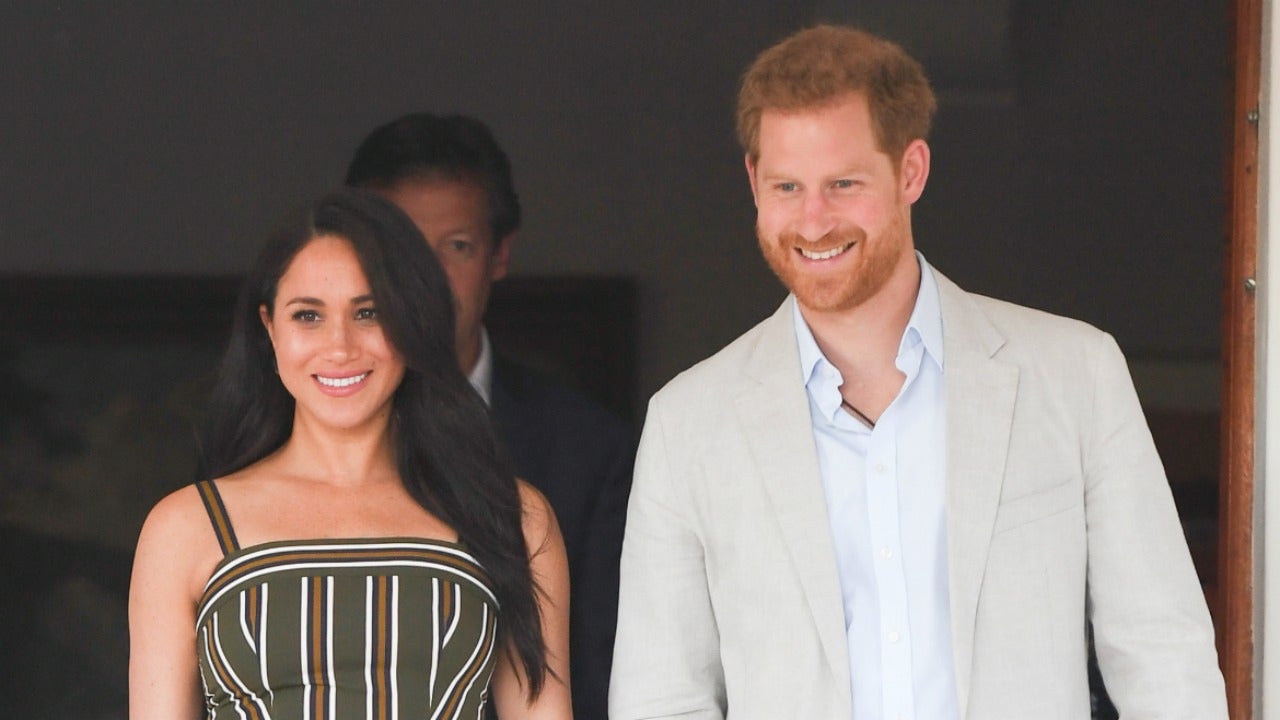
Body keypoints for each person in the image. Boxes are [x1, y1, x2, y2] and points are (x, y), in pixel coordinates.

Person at [610, 24, 1227, 720]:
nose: (812, 221)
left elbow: (1161, 656)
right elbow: (660, 697)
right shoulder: (687, 423)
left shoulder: (1077, 375)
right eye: (788, 185)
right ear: (753, 180)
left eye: (843, 184)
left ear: (911, 171)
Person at [128, 189, 572, 719]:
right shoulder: (186, 527)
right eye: (308, 316)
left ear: (412, 324)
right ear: (269, 328)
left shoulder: (512, 518)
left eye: (369, 313)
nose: (339, 347)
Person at [346, 113, 635, 720]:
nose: (422, 277)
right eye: (397, 247)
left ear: (499, 255)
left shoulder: (588, 451)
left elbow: (603, 682)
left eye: (456, 246)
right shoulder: (265, 442)